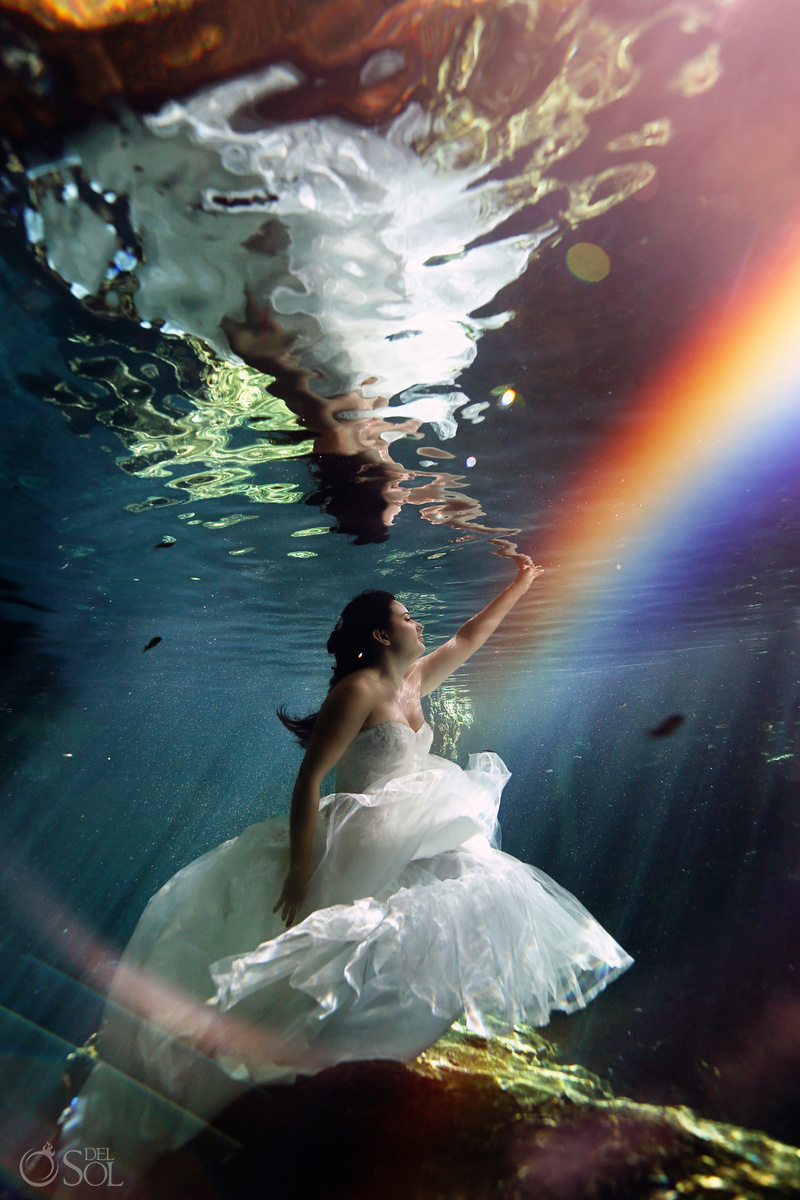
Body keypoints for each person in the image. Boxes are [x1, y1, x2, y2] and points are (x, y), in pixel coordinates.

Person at [57, 556, 633, 1185]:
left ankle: (353, 1049)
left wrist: (523, 582)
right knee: (325, 955)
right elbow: (309, 781)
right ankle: (246, 1081)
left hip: (411, 829)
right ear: (382, 634)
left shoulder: (413, 681)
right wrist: (300, 869)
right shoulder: (355, 691)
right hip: (360, 837)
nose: (419, 622)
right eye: (406, 615)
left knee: (471, 888)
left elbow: (469, 638)